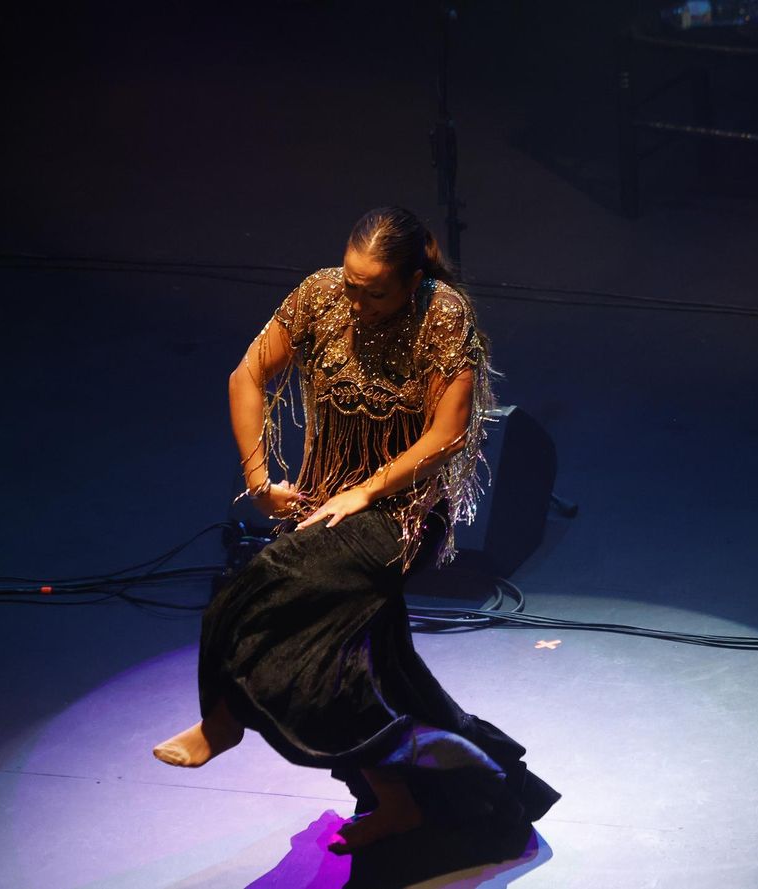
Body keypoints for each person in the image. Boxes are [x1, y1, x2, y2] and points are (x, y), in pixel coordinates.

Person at [152, 206, 559, 854]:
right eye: (352, 282)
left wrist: (367, 489)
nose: (357, 299)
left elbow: (446, 433)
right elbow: (246, 375)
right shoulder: (319, 295)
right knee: (348, 670)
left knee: (256, 588)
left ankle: (222, 720)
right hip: (325, 502)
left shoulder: (442, 317)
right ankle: (408, 800)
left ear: (411, 280)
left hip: (401, 515)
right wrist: (260, 479)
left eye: (375, 290)